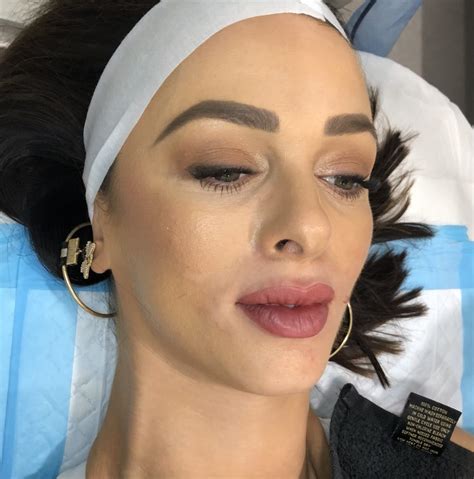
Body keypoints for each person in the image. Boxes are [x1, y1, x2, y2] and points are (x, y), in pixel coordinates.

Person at [0, 1, 473, 478]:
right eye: (227, 169)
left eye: (346, 178)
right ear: (101, 219)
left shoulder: (426, 438)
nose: (312, 227)